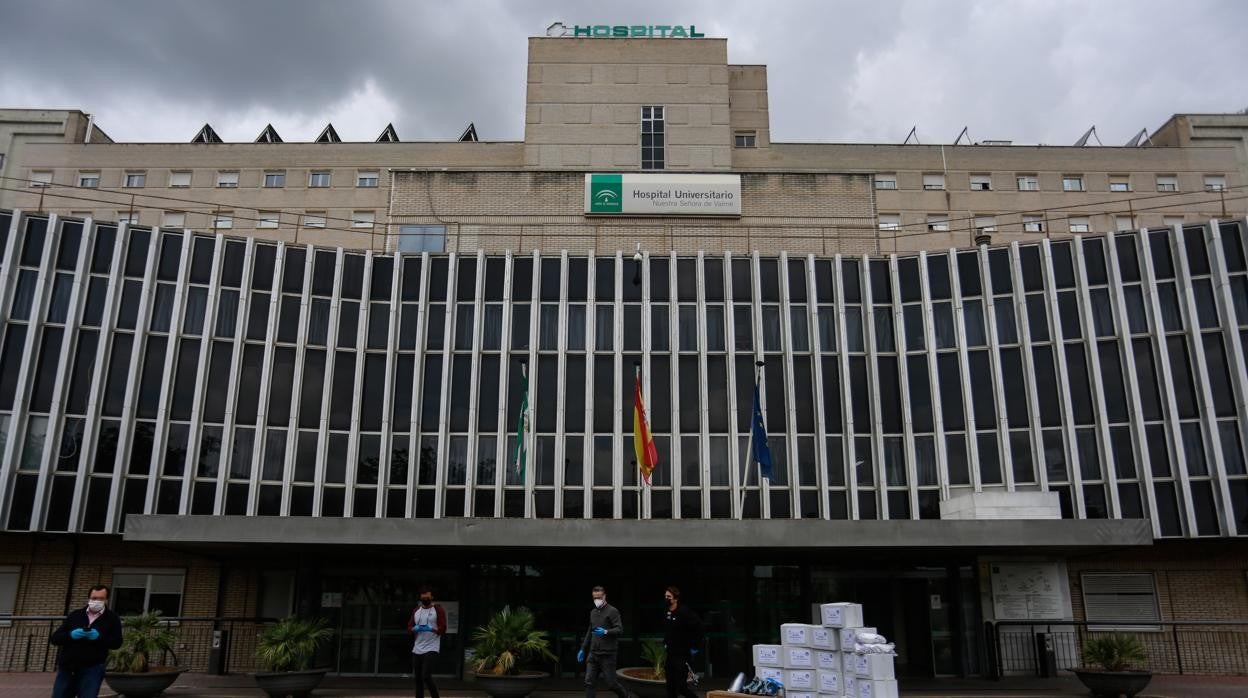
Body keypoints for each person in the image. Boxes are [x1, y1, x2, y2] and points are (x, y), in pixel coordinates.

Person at [49, 584, 123, 698]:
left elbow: (117, 643)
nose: (97, 601)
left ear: (107, 600)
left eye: (101, 599)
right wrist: (71, 635)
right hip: (68, 667)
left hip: (93, 668)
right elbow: (55, 638)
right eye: (94, 598)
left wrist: (99, 638)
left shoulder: (112, 618)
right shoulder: (75, 615)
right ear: (89, 598)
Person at [577, 585, 628, 698]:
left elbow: (620, 629)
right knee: (589, 681)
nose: (597, 600)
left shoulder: (612, 611)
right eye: (595, 598)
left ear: (604, 596)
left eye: (599, 597)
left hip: (608, 654)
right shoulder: (593, 612)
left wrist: (606, 631)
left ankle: (625, 696)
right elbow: (590, 631)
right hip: (593, 653)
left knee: (611, 684)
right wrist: (582, 649)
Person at [406, 586, 447, 698]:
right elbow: (409, 627)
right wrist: (414, 628)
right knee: (418, 678)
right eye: (423, 598)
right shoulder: (416, 611)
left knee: (426, 676)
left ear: (432, 597)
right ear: (420, 598)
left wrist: (433, 629)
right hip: (417, 648)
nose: (425, 599)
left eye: (427, 597)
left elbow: (443, 628)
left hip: (432, 647)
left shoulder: (438, 610)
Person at [662, 586, 702, 698]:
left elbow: (698, 627)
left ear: (675, 599)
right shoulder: (666, 611)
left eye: (669, 597)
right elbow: (668, 630)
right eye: (665, 596)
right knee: (670, 687)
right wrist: (665, 642)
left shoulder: (684, 612)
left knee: (681, 687)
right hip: (670, 654)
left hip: (682, 655)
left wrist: (695, 646)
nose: (666, 599)